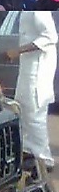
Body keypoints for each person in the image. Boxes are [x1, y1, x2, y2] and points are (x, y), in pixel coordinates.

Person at [6, 12, 58, 173]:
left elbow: (50, 36)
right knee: (24, 109)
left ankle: (44, 159)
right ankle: (29, 152)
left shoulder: (39, 11)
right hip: (29, 68)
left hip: (38, 69)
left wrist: (18, 50)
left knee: (35, 112)